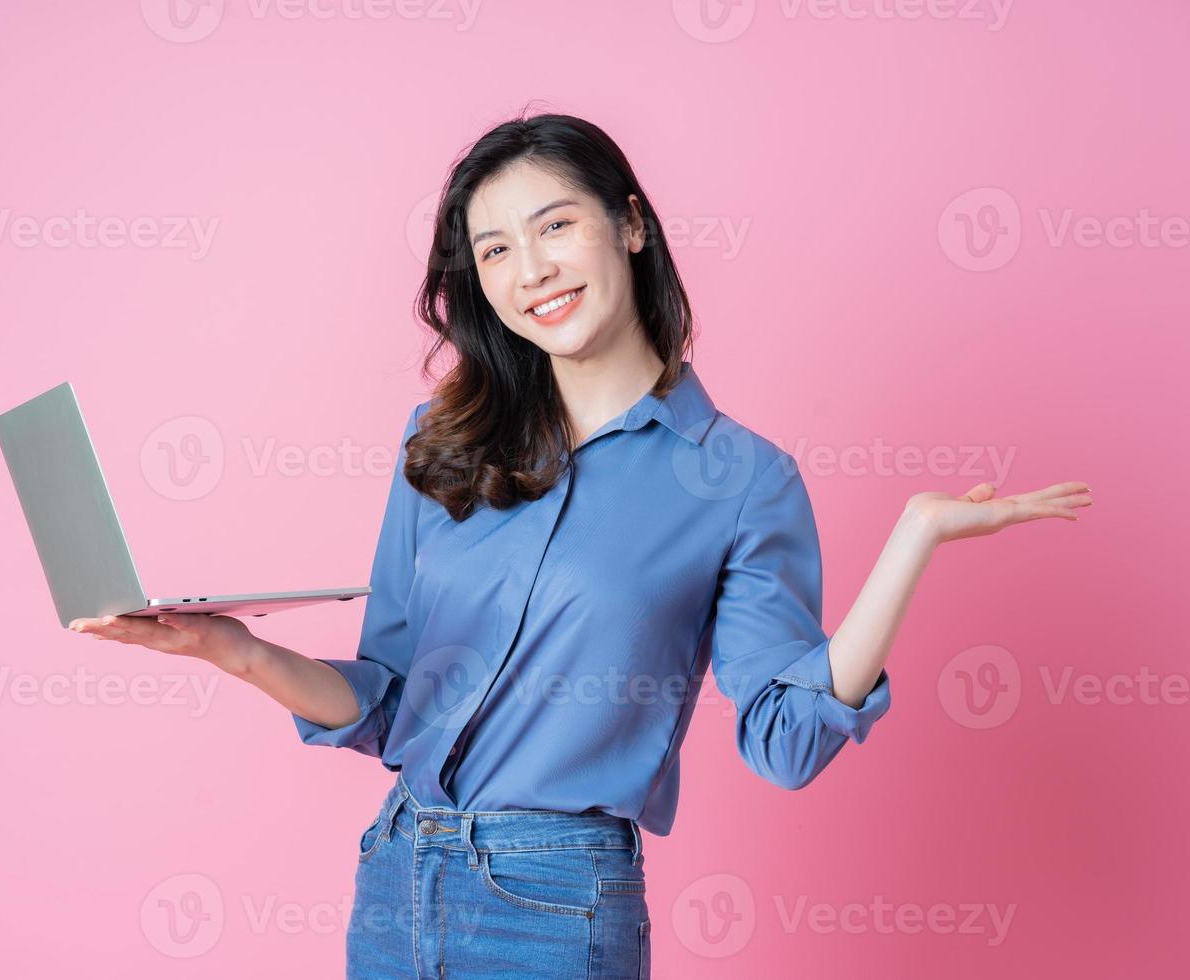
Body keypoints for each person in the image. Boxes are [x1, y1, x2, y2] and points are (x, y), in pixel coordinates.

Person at [69, 110, 1092, 978]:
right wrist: (228, 649)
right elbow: (389, 699)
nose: (532, 269)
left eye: (555, 226)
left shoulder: (739, 478)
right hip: (395, 875)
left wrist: (913, 538)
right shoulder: (445, 440)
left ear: (631, 225)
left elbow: (785, 738)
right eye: (497, 248)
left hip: (552, 901)